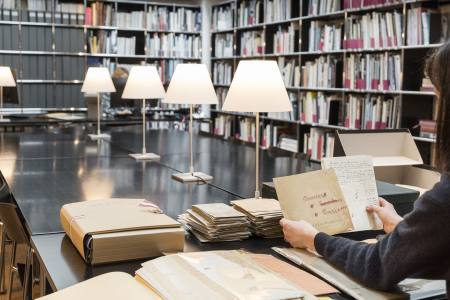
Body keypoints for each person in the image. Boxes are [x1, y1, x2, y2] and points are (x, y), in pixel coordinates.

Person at [280, 42, 450, 297]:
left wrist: (313, 238)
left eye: (438, 100)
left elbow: (376, 266)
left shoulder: (444, 199)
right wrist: (407, 231)